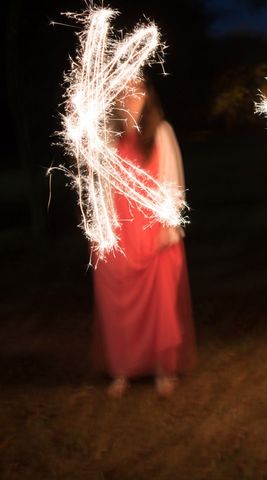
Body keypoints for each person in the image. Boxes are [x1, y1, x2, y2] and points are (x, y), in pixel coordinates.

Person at [92, 75, 196, 397]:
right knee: (118, 306)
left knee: (160, 303)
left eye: (136, 89)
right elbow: (100, 185)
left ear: (148, 95)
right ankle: (123, 369)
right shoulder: (108, 137)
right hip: (121, 234)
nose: (129, 95)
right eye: (123, 90)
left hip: (154, 232)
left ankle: (163, 369)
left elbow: (173, 182)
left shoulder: (162, 132)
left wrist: (168, 223)